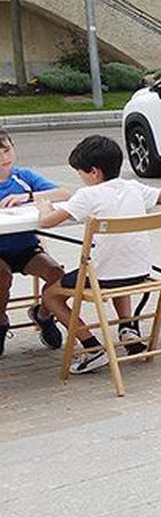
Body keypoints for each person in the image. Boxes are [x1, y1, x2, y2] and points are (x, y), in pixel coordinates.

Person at [35, 135, 161, 375]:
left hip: (104, 276)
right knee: (117, 260)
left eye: (80, 173)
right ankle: (128, 328)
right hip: (140, 271)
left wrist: (44, 206)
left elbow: (46, 222)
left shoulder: (87, 196)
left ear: (94, 173)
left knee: (50, 296)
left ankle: (92, 347)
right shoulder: (133, 187)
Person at [0, 128, 65, 356]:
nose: (3, 158)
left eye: (7, 150)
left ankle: (44, 314)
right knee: (2, 275)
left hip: (26, 247)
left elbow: (63, 193)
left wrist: (27, 197)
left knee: (57, 273)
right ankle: (1, 321)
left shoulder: (24, 177)